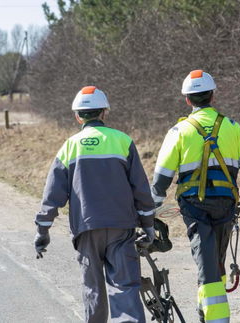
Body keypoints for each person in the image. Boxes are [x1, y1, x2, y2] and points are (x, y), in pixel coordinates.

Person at [151, 70, 240, 323]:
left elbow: (161, 180)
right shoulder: (232, 127)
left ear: (188, 99)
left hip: (195, 207)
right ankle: (204, 314)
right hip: (226, 206)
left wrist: (148, 212)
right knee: (215, 263)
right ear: (212, 95)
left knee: (208, 266)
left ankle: (215, 318)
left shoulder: (179, 131)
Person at [33, 86, 156, 323]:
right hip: (121, 228)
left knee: (93, 291)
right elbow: (141, 189)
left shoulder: (70, 147)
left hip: (86, 230)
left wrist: (42, 232)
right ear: (103, 113)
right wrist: (148, 225)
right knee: (124, 289)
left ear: (78, 116)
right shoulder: (123, 141)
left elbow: (52, 196)